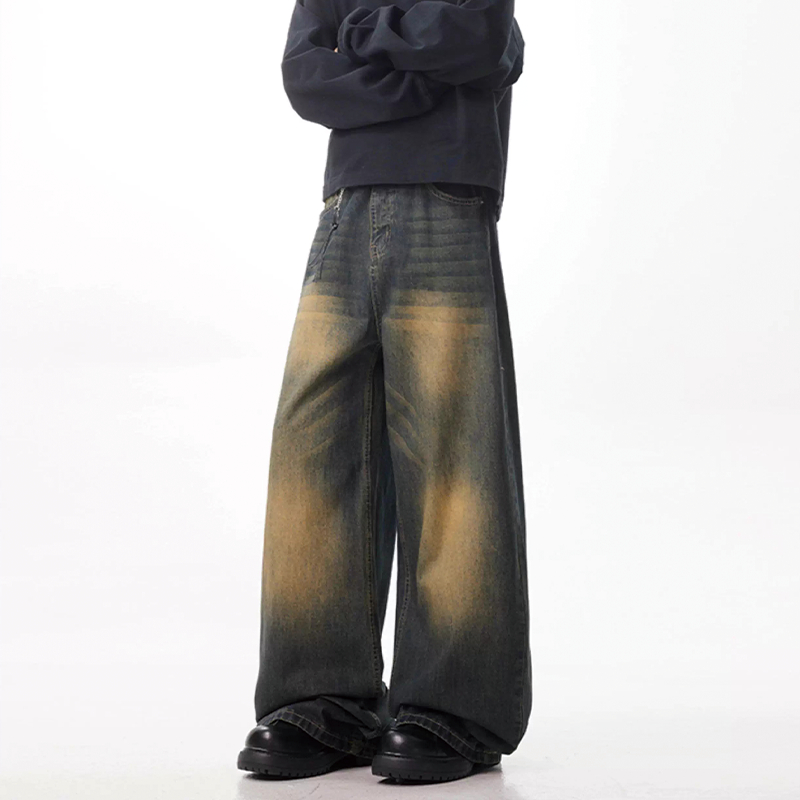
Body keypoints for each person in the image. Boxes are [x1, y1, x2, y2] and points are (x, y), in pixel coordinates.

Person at [237, 0, 531, 783]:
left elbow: (479, 40)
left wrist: (363, 32)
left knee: (453, 456)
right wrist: (423, 63)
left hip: (448, 194)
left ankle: (456, 708)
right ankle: (324, 701)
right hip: (344, 209)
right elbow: (307, 78)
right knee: (314, 452)